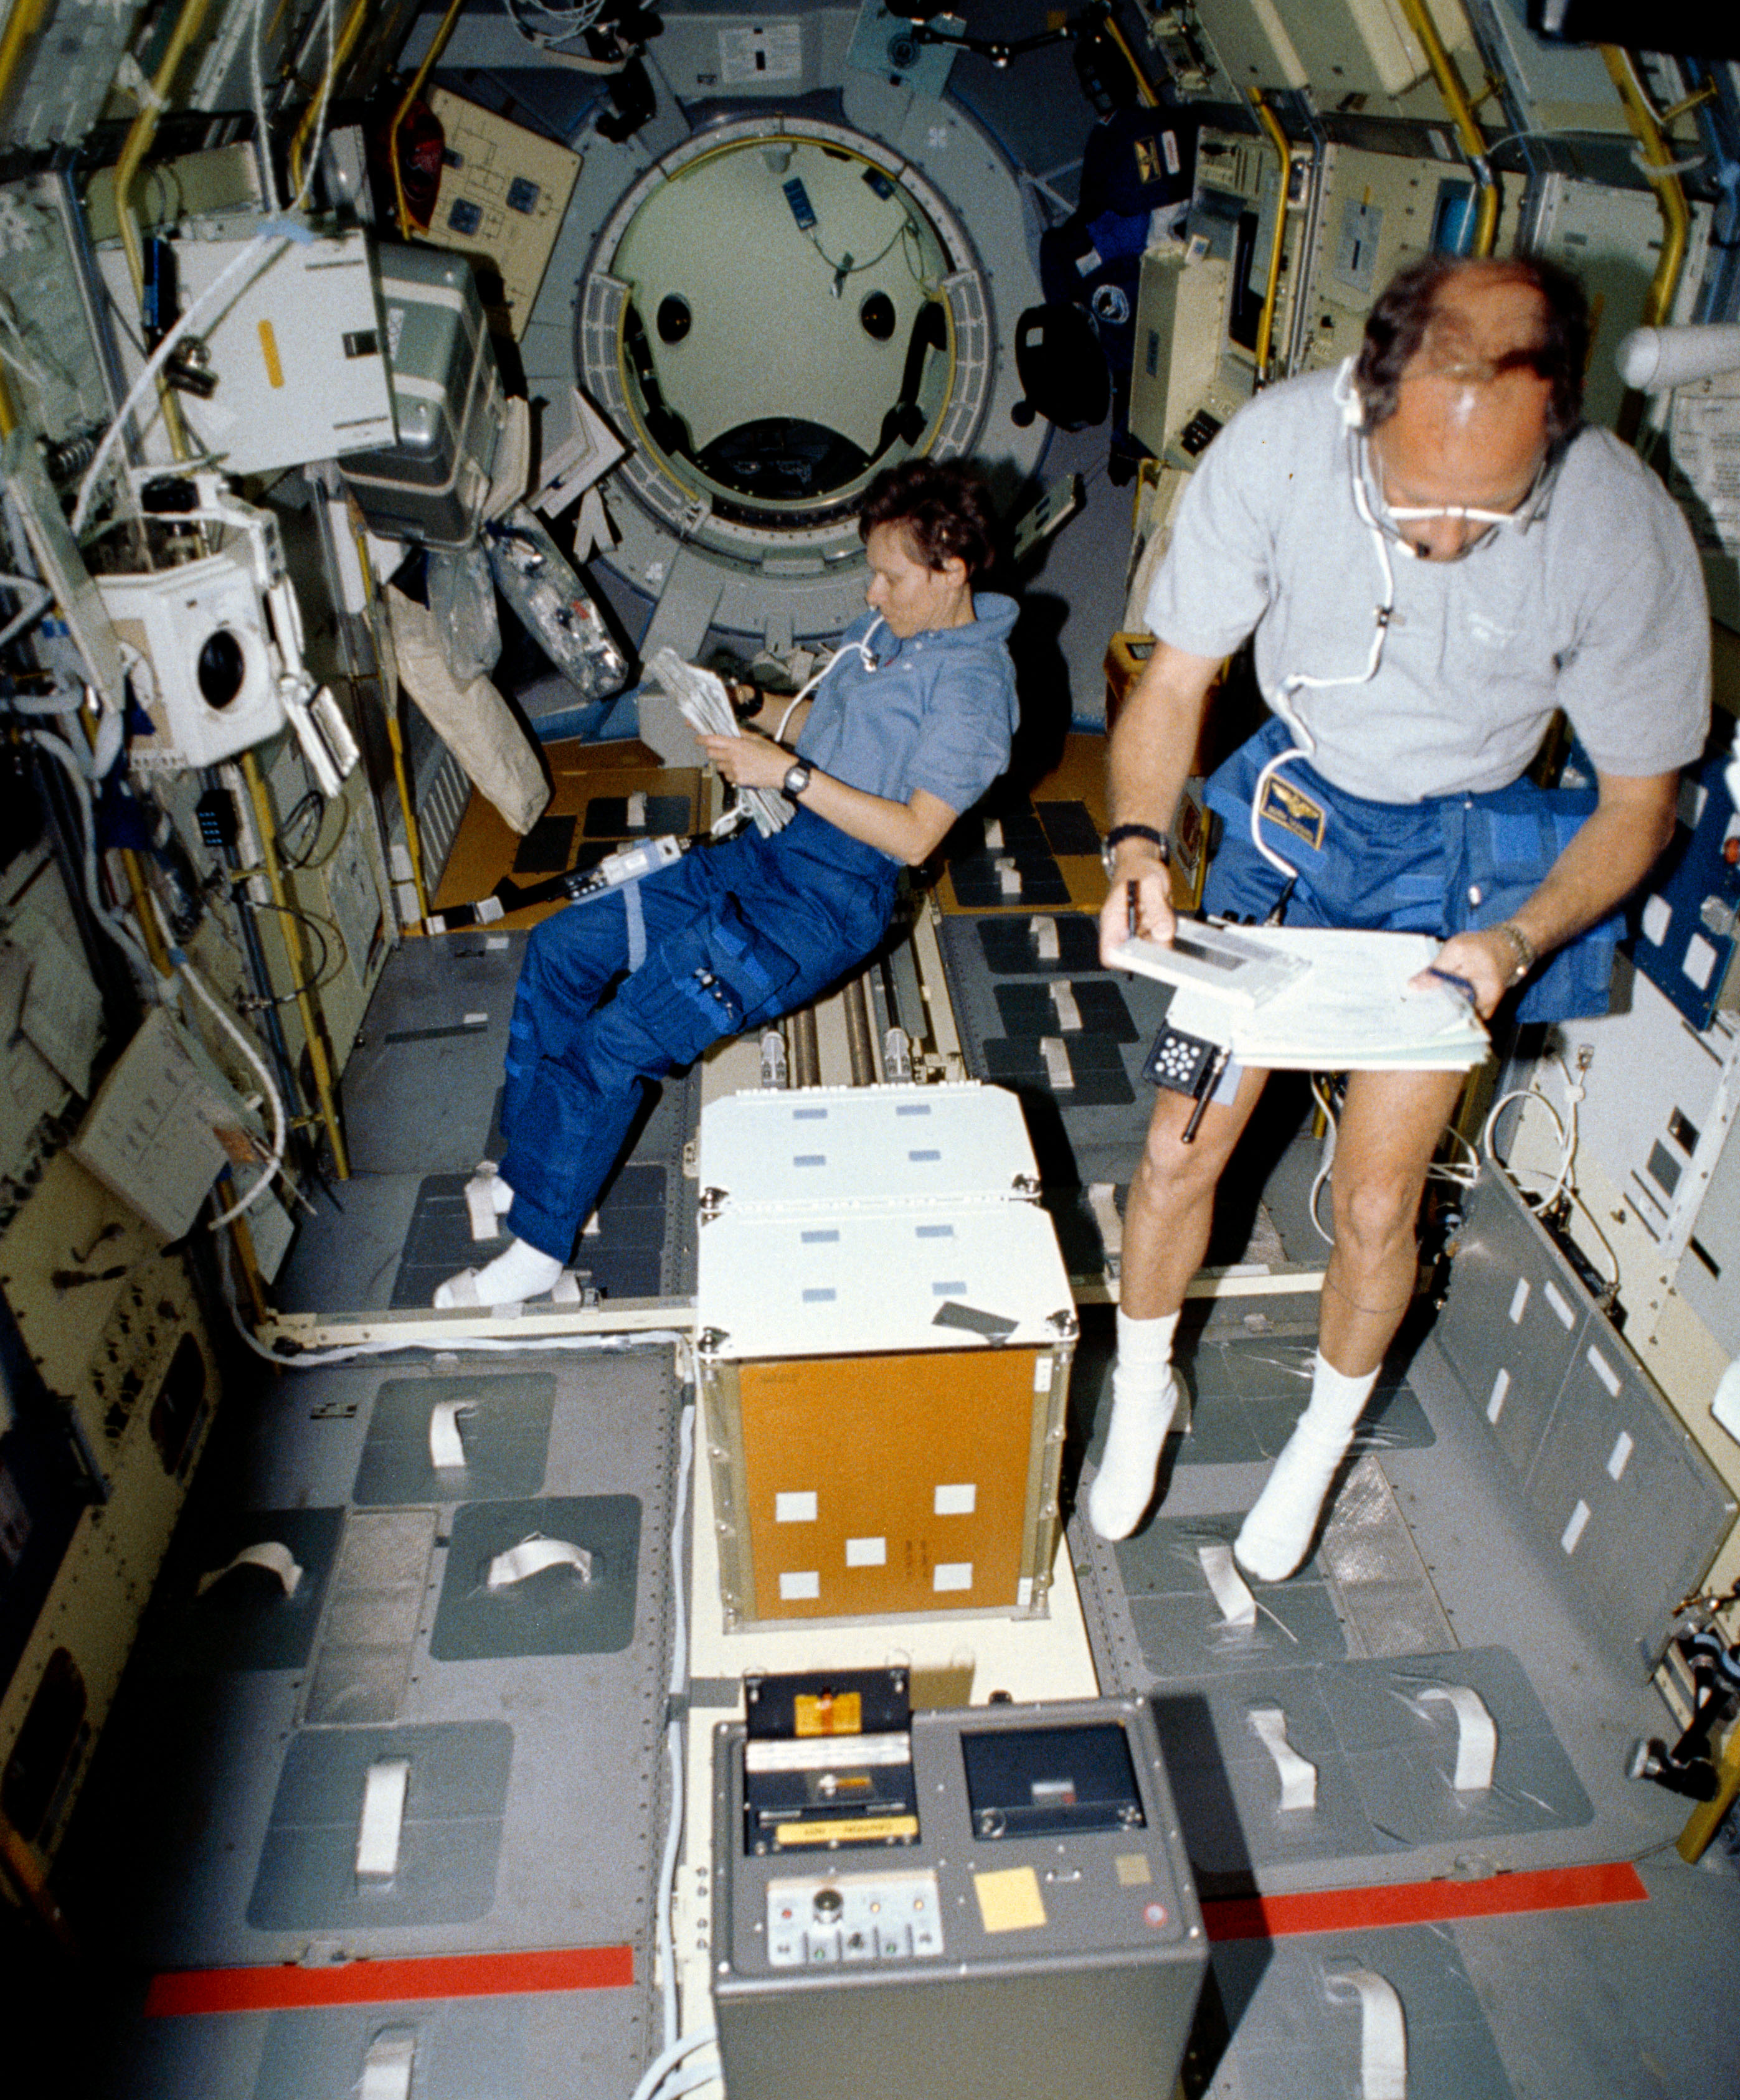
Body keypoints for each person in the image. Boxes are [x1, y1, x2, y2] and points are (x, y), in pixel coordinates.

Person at [1090, 253, 1710, 1573]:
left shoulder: (1615, 529)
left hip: (1459, 858)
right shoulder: (1273, 455)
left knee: (1375, 1206)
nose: (1436, 542)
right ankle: (1141, 1392)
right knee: (1175, 1148)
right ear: (1364, 408)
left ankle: (1317, 1445)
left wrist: (1512, 942)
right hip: (1291, 816)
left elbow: (1634, 808)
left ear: (1550, 436)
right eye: (1412, 502)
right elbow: (1170, 681)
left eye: (1481, 517)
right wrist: (1138, 844)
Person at [435, 458, 1018, 1309]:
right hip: (770, 853)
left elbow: (915, 832)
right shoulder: (898, 637)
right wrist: (752, 707)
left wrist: (782, 774)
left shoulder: (972, 691)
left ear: (952, 570)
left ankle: (537, 1252)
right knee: (563, 948)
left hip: (824, 904)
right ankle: (531, 1174)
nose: (871, 594)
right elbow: (838, 725)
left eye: (889, 576)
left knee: (619, 1040)